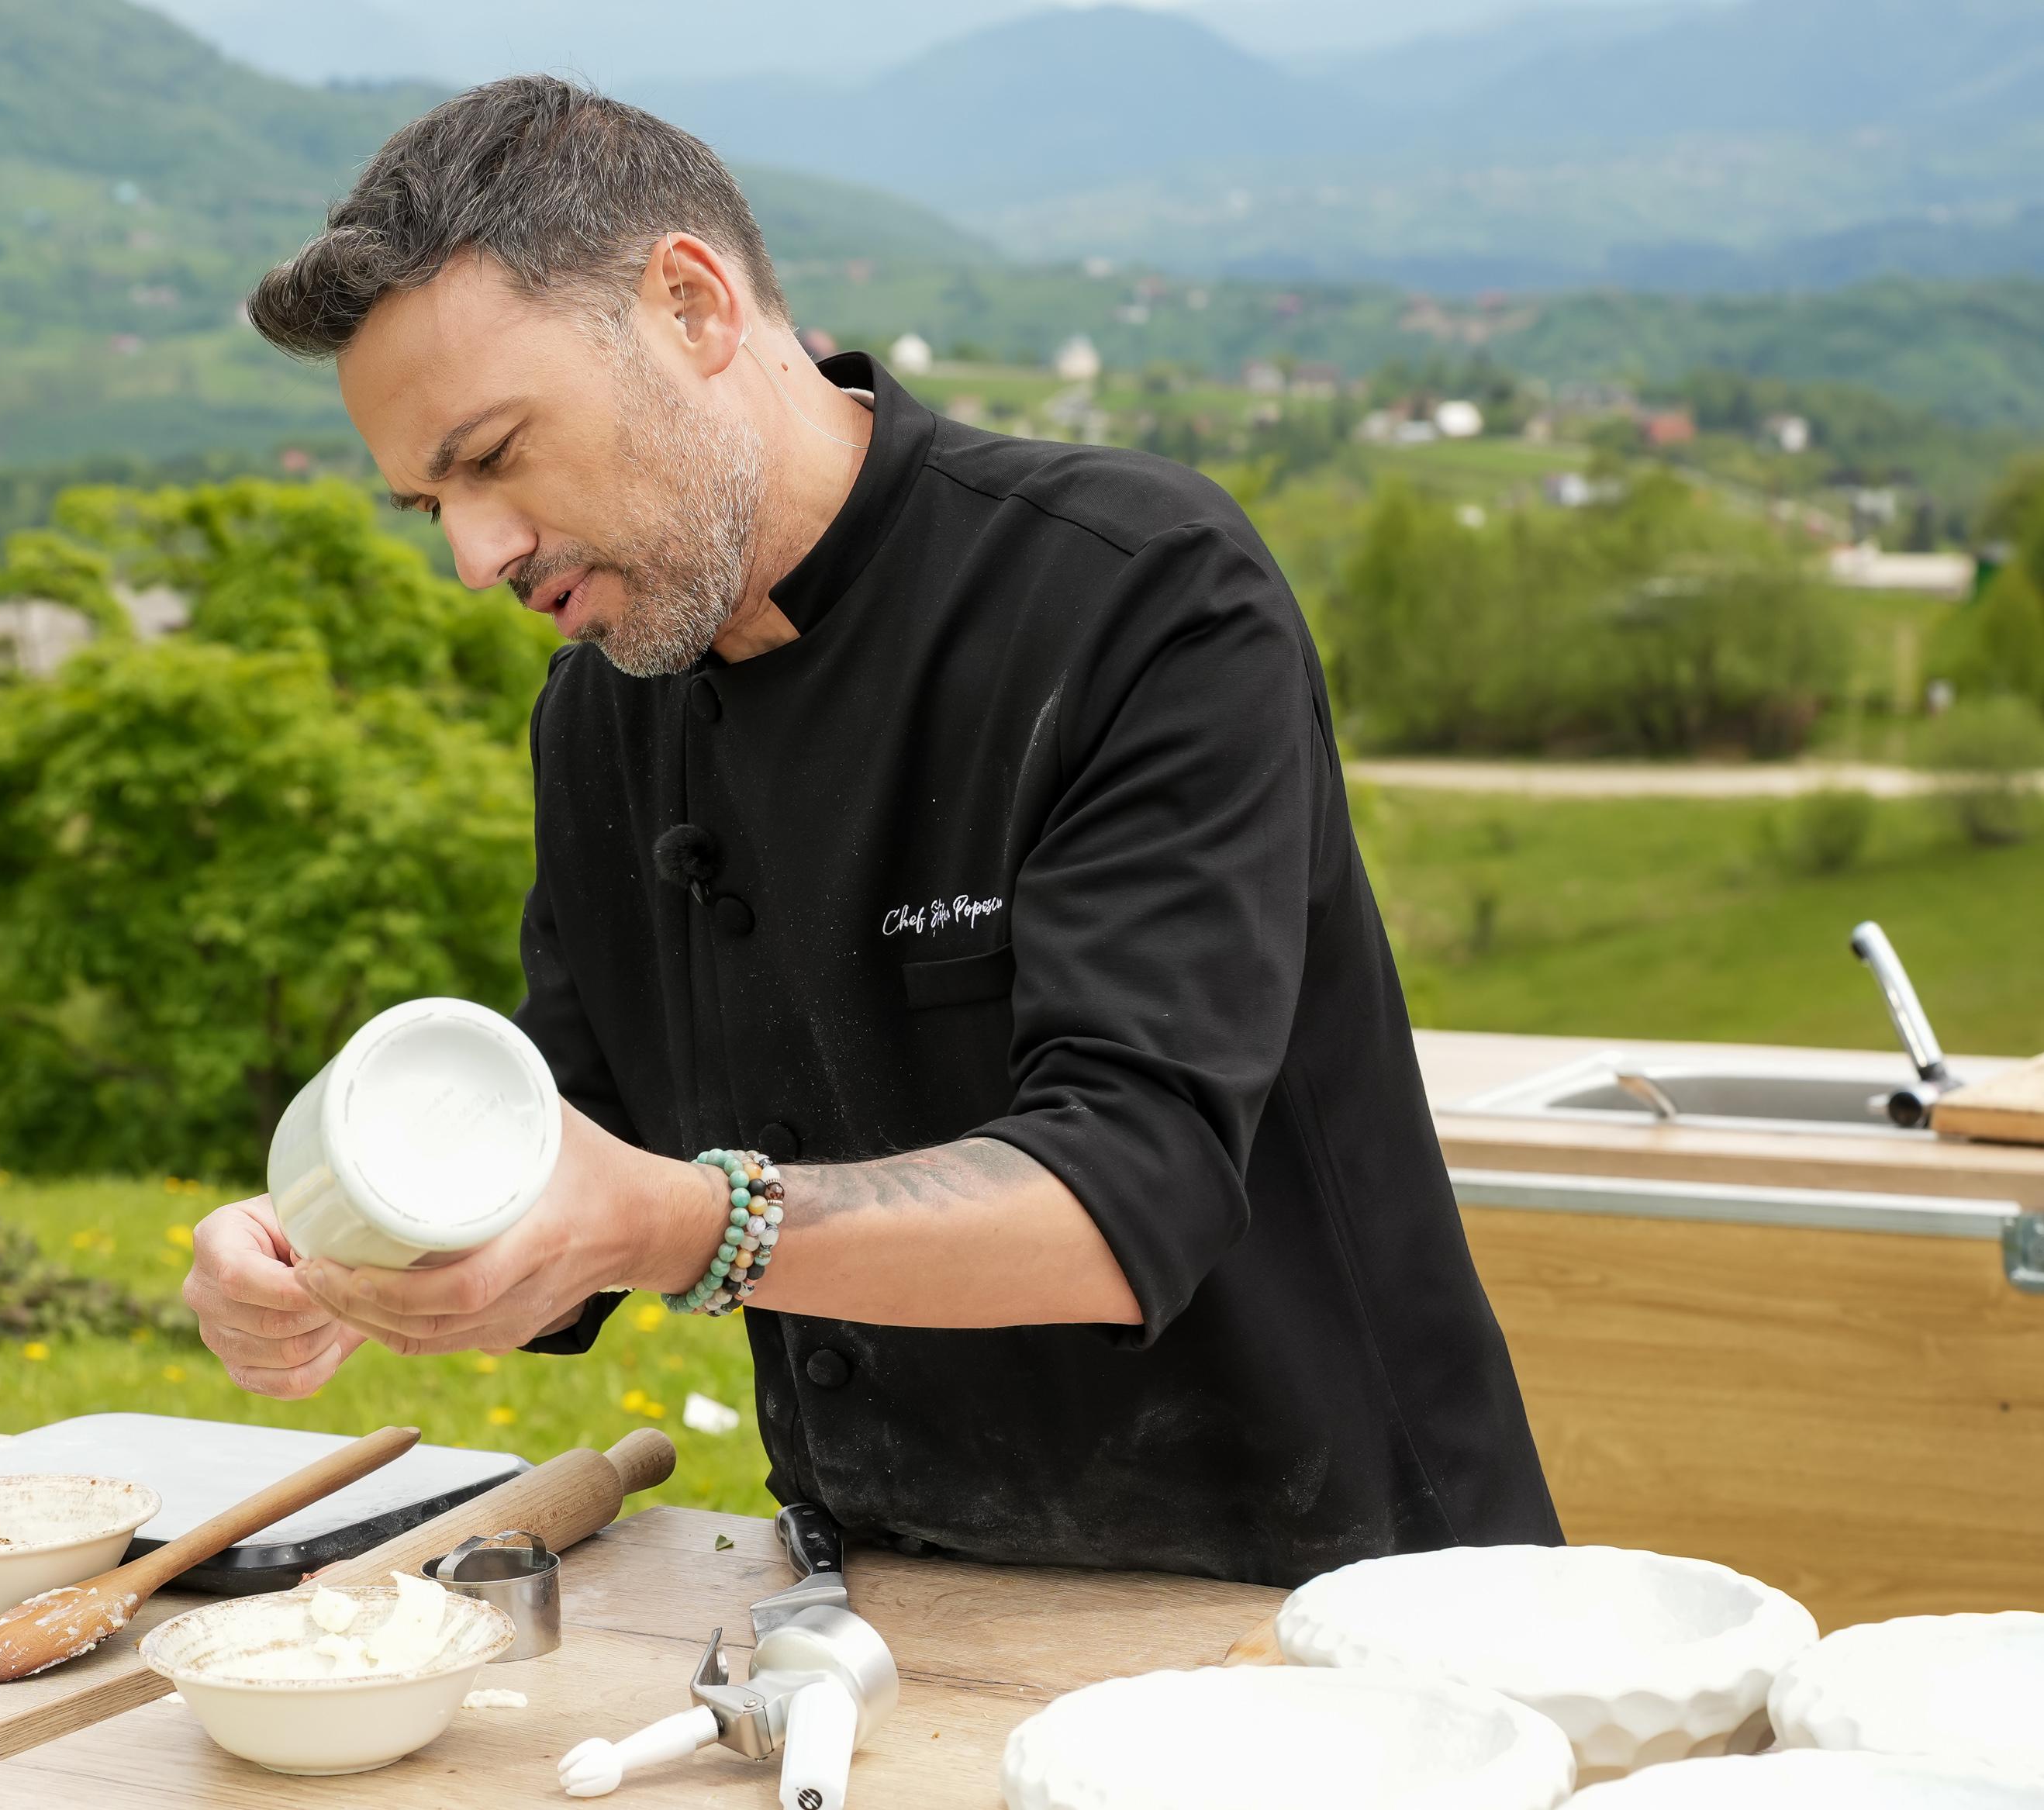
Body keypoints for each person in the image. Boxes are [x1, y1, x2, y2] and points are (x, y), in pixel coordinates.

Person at [184, 77, 1560, 1586]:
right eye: (426, 504)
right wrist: (341, 1236)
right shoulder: (600, 716)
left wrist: (680, 1224)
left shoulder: (1137, 593)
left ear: (692, 307)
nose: (473, 556)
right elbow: (571, 1146)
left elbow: (1132, 1188)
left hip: (1334, 1591)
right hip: (889, 1600)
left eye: (495, 454)